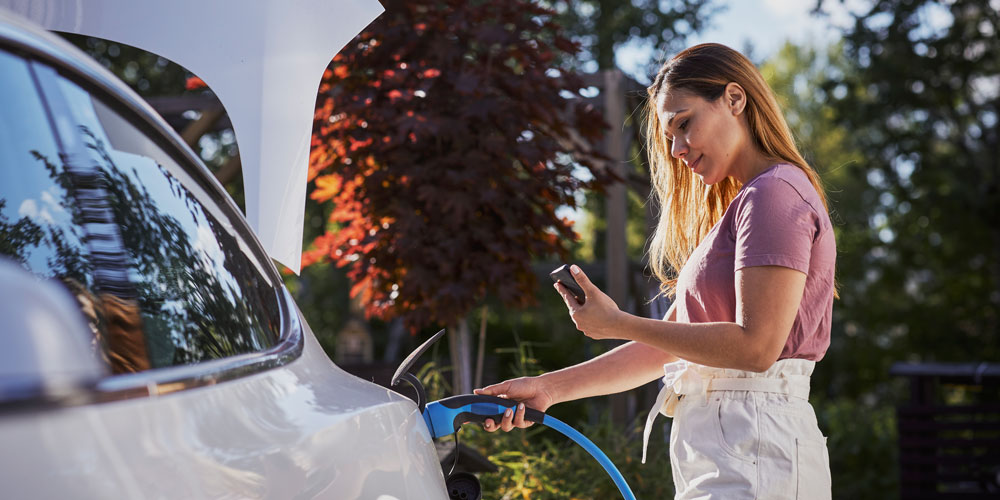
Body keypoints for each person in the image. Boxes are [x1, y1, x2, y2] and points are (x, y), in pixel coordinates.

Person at [475, 43, 836, 500]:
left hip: (756, 447)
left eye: (685, 124)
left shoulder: (774, 195)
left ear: (735, 99)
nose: (678, 149)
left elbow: (757, 347)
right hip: (734, 446)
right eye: (669, 136)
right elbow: (661, 350)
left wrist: (617, 323)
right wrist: (548, 390)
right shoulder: (743, 205)